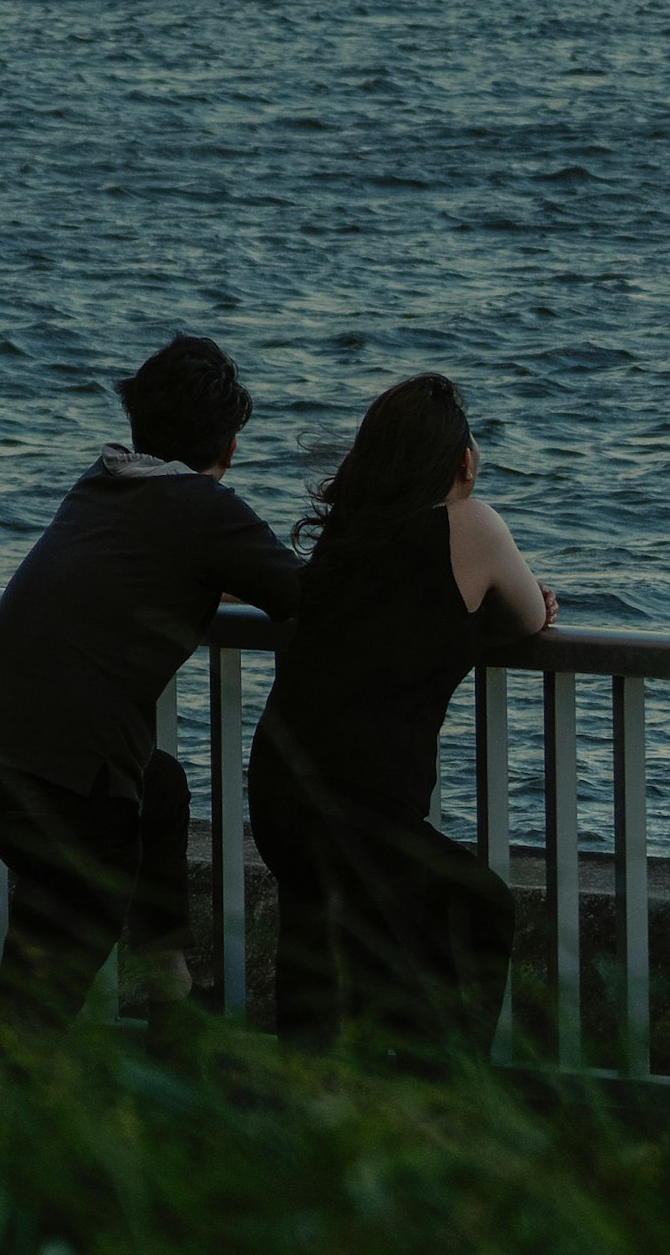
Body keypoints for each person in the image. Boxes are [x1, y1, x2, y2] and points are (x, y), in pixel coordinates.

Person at [0, 335, 308, 1038]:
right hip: (65, 782)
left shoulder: (102, 483)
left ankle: (171, 997)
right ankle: (3, 1113)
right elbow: (307, 593)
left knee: (159, 789)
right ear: (228, 444)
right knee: (49, 976)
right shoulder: (204, 507)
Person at [248, 371, 554, 1055]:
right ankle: (437, 1099)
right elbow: (529, 616)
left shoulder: (346, 540)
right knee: (477, 909)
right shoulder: (469, 524)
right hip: (362, 807)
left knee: (325, 936)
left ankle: (313, 1099)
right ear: (463, 461)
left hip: (280, 792)